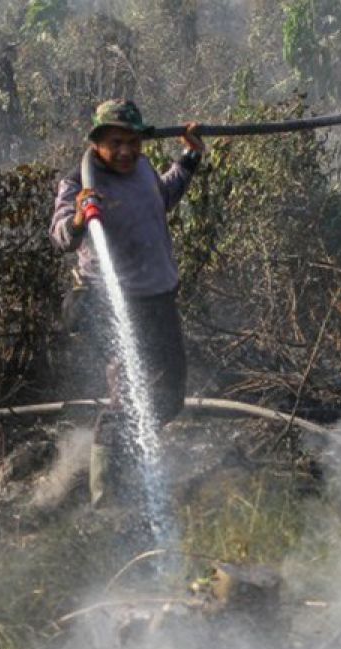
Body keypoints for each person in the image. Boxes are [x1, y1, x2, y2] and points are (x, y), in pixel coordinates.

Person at [49, 99, 205, 505]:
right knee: (129, 394)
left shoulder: (143, 170)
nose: (125, 151)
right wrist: (82, 217)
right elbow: (61, 235)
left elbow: (162, 198)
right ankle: (107, 496)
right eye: (116, 142)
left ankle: (134, 467)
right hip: (117, 304)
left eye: (133, 142)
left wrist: (189, 158)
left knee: (168, 396)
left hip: (158, 298)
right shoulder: (78, 182)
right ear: (97, 141)